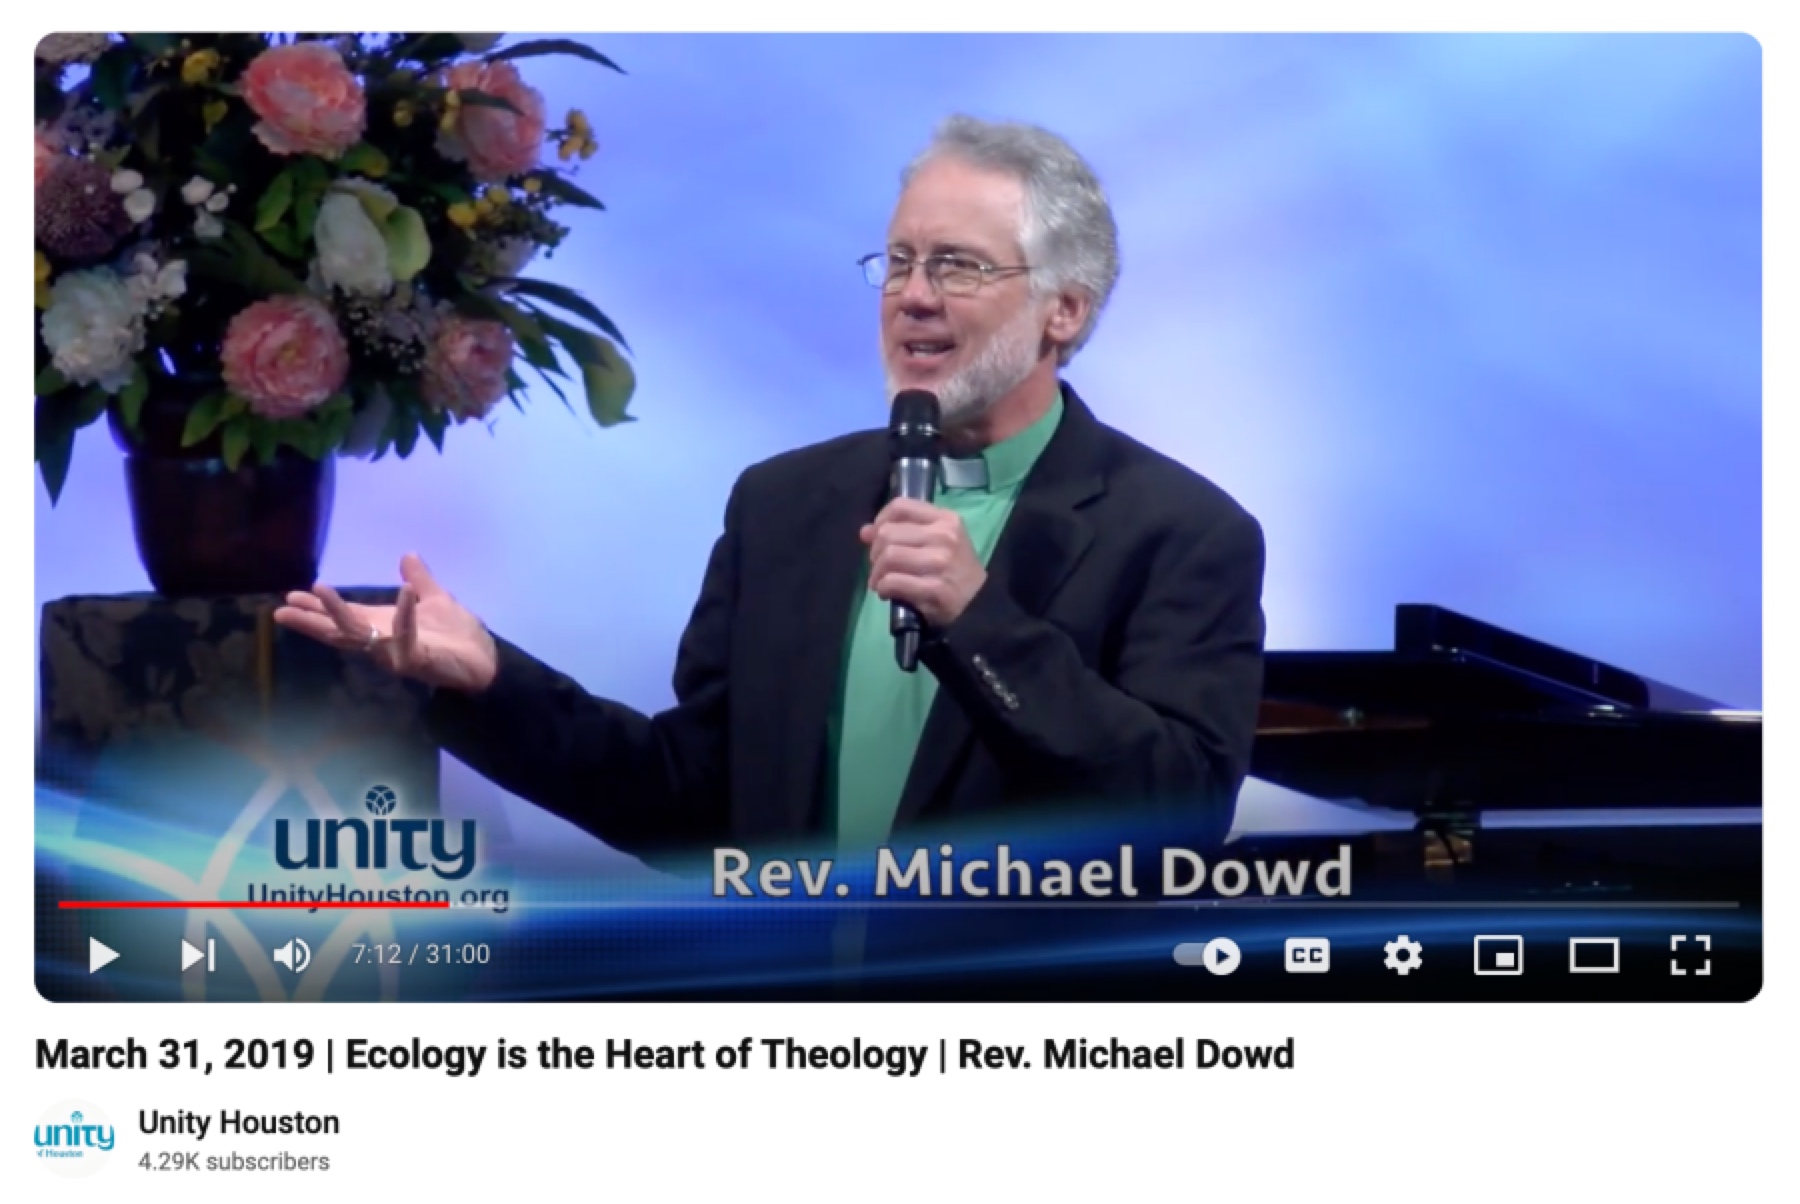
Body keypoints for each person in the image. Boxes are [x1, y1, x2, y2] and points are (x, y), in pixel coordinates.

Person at [274, 114, 1266, 864]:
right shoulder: (785, 505)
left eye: (958, 267)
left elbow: (1177, 815)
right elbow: (691, 801)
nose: (914, 296)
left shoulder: (1181, 533)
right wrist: (494, 682)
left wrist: (979, 620)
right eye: (900, 262)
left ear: (1065, 310)